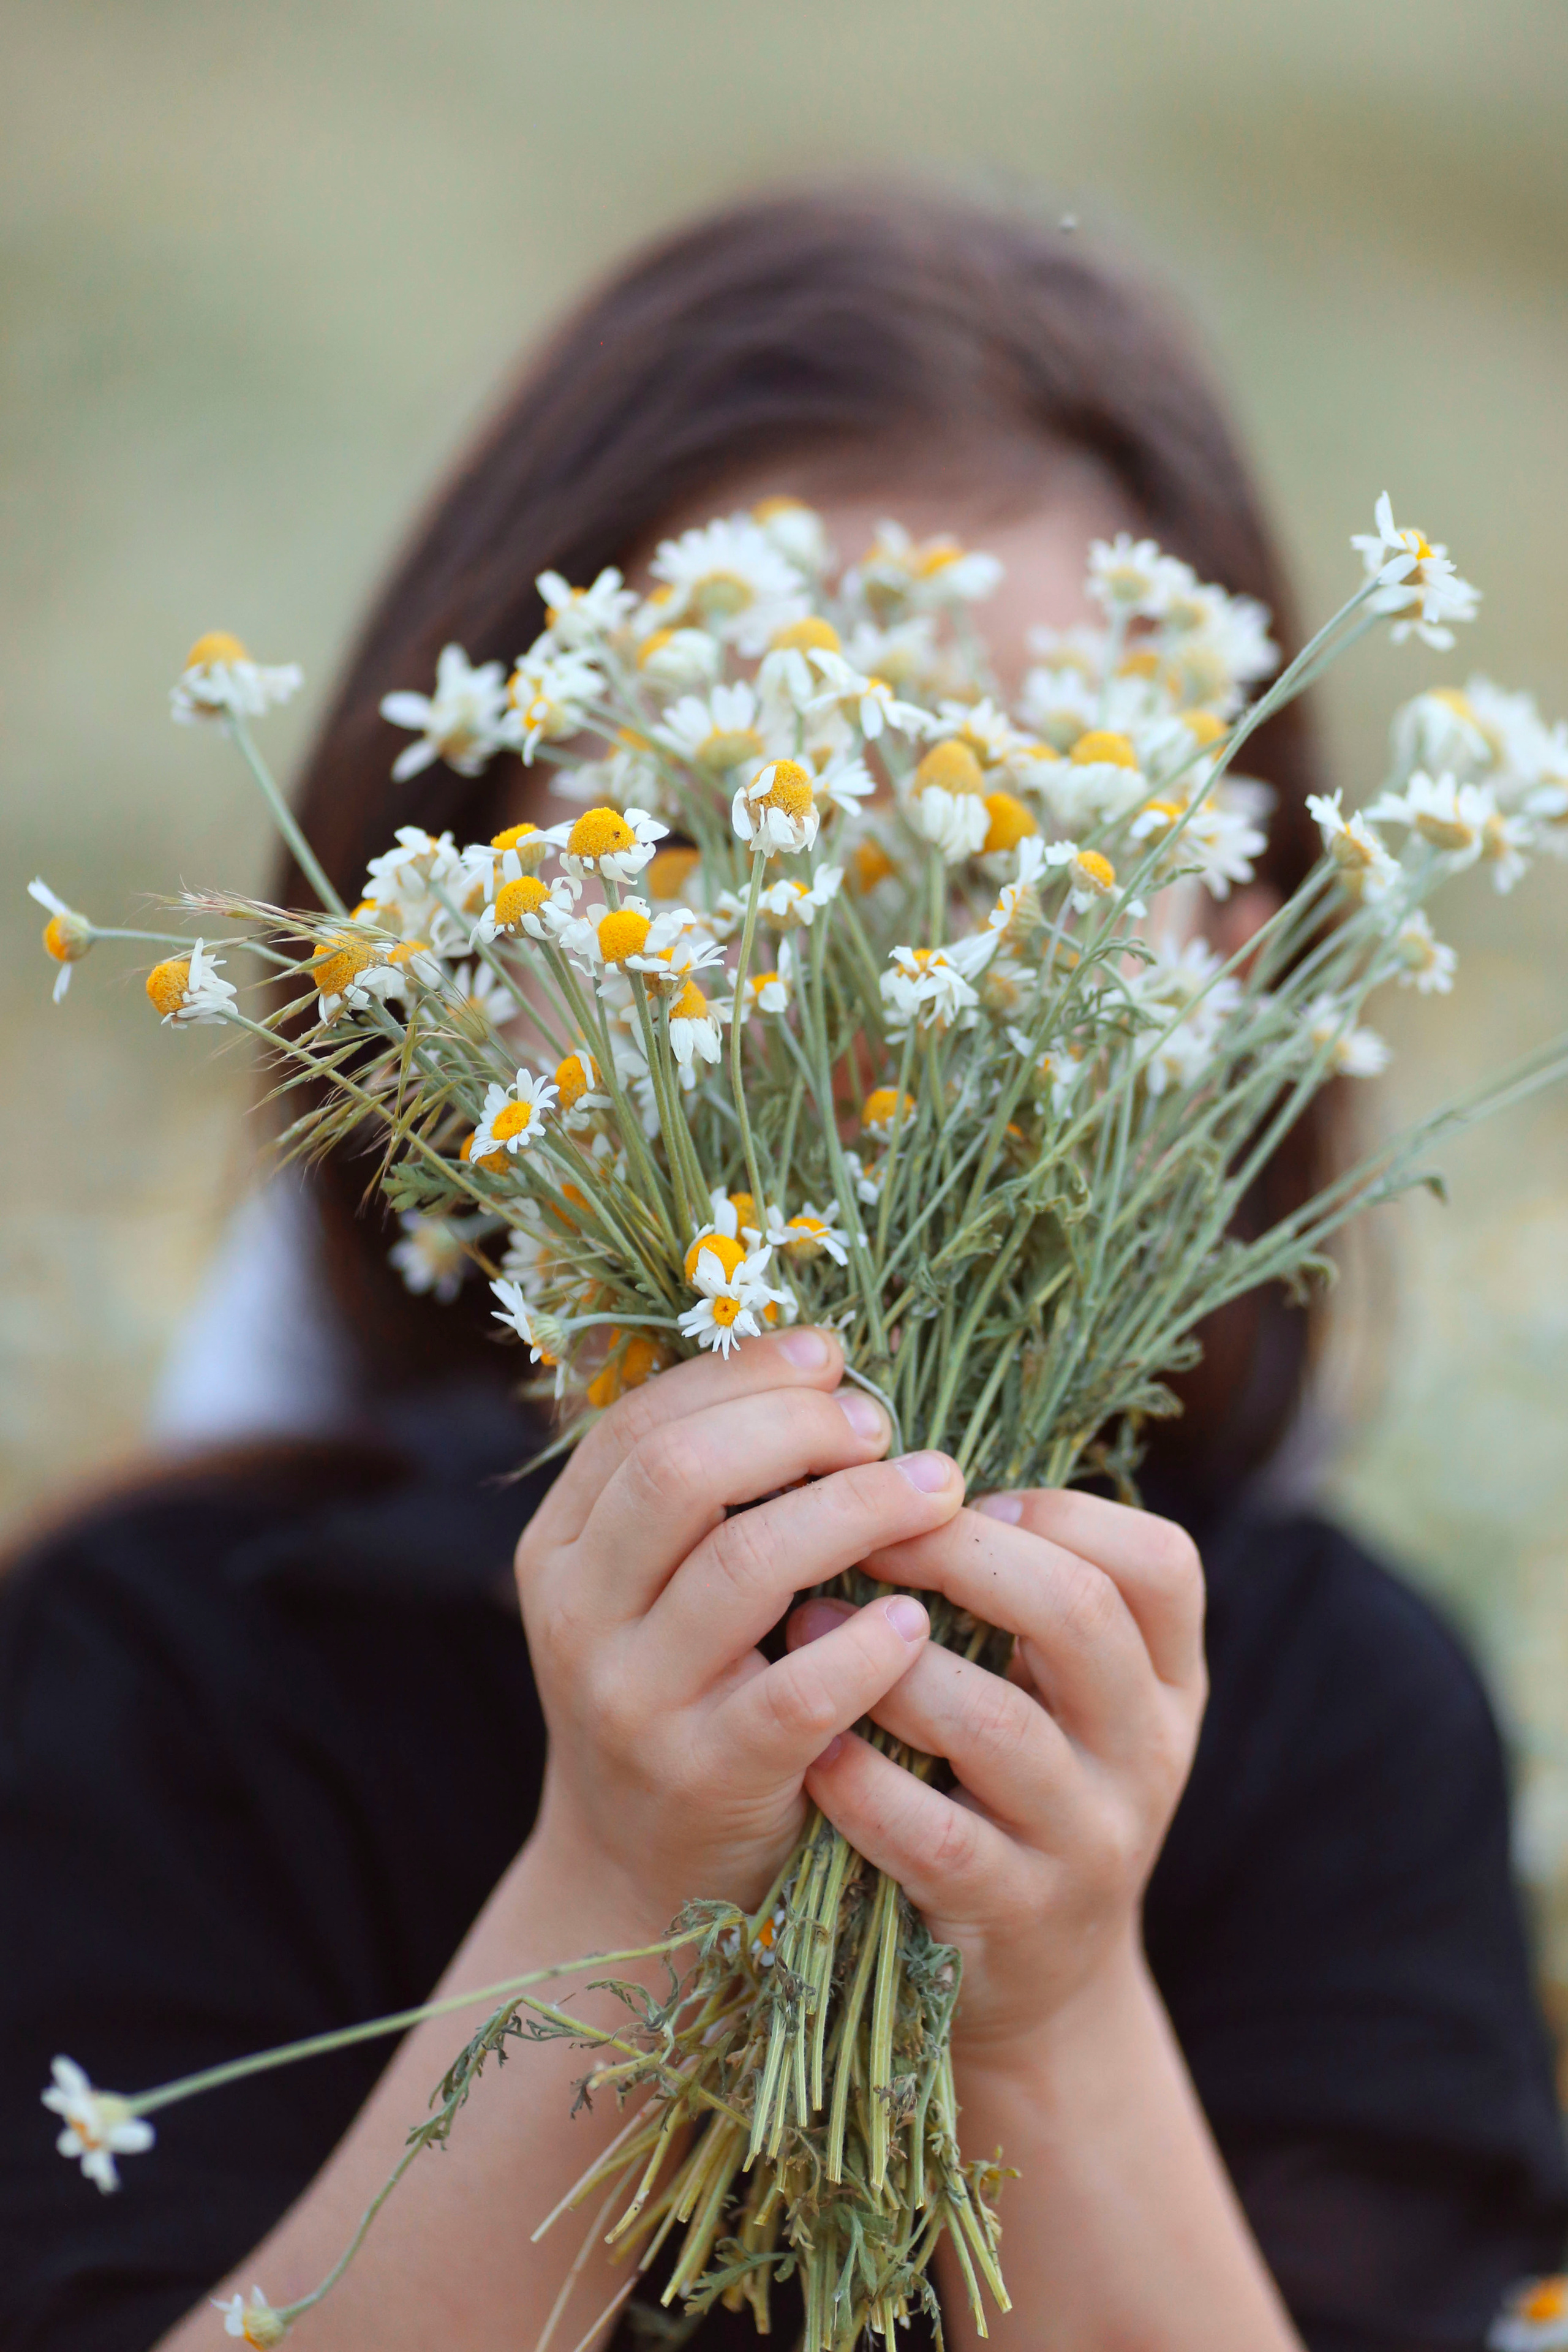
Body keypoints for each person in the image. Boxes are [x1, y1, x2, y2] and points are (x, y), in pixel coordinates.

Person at [1, 185, 1563, 2352]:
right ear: (451, 929)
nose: (869, 973)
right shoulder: (162, 1677)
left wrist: (1050, 1996)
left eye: (1036, 831)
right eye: (693, 832)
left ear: (1239, 958)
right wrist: (619, 1887)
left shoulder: (1329, 1718)